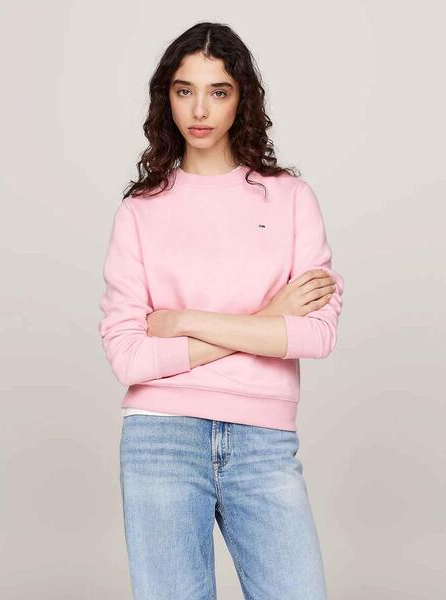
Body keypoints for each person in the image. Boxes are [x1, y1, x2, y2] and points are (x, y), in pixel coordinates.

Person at [98, 21, 344, 600]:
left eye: (219, 91)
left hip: (264, 440)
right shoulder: (140, 211)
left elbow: (317, 334)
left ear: (242, 98)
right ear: (166, 98)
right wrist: (267, 320)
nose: (200, 109)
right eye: (184, 90)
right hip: (161, 437)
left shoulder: (290, 199)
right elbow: (128, 357)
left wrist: (183, 321)